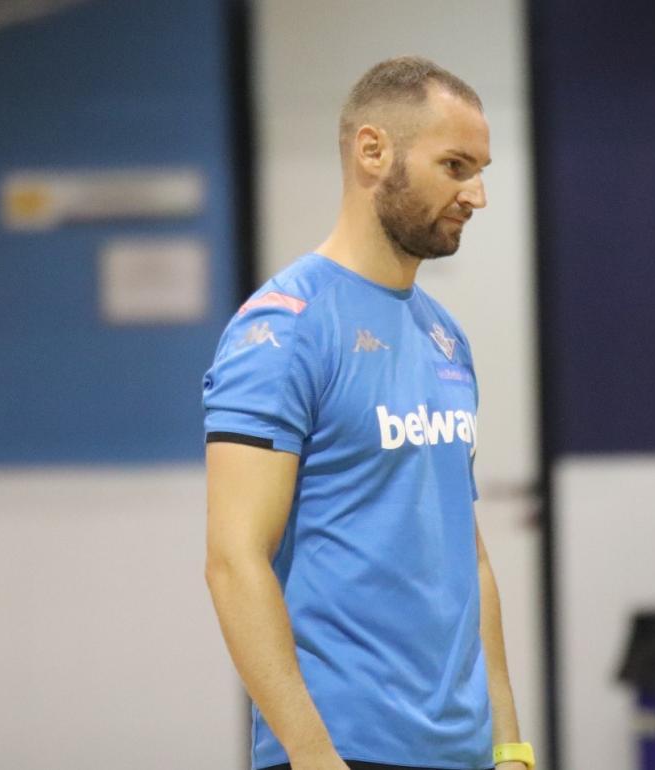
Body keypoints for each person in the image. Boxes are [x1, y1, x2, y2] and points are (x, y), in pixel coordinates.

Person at [202, 57, 532, 770]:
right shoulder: (283, 330)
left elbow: (466, 553)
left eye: (482, 169)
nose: (476, 194)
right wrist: (314, 757)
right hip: (343, 747)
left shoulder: (446, 335)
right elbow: (234, 562)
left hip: (463, 750)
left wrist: (508, 741)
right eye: (455, 165)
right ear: (373, 151)